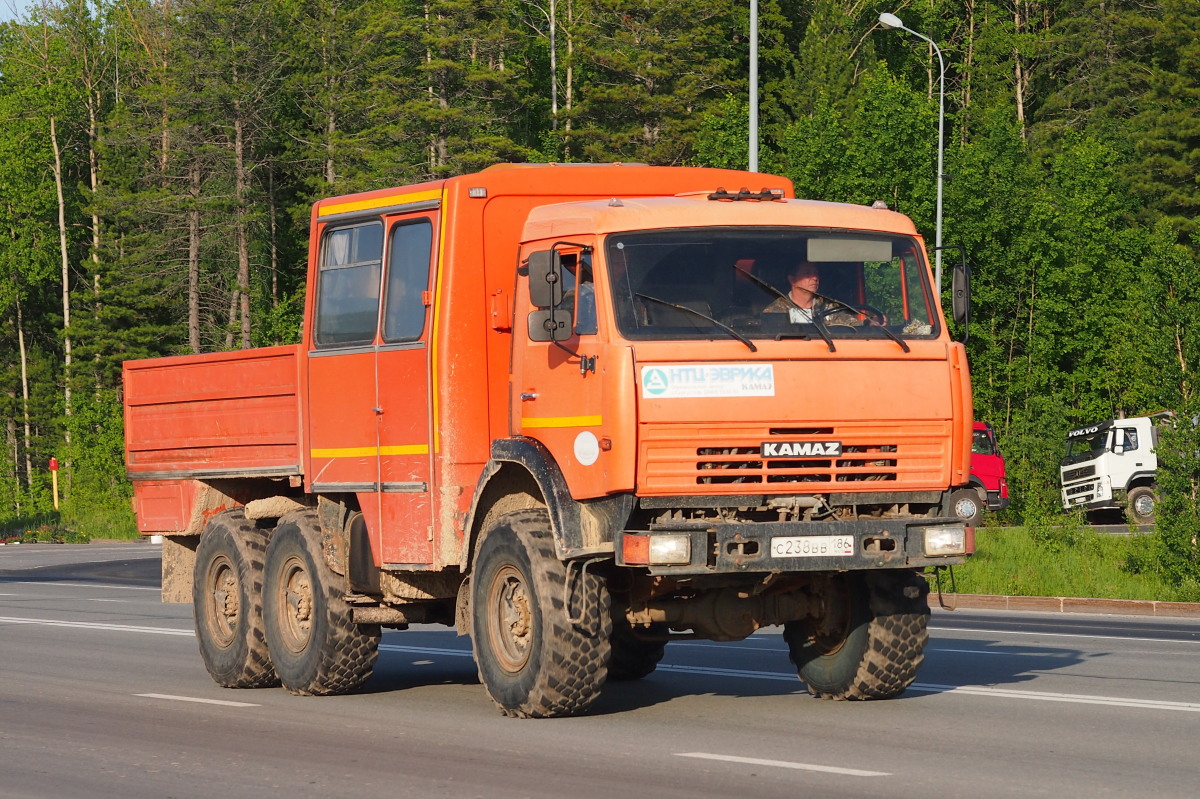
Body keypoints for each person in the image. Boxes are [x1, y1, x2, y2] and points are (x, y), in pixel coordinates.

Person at [763, 261, 857, 325]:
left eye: (816, 273)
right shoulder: (775, 311)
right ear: (792, 280)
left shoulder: (830, 308)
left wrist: (869, 323)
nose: (815, 278)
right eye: (807, 273)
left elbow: (855, 328)